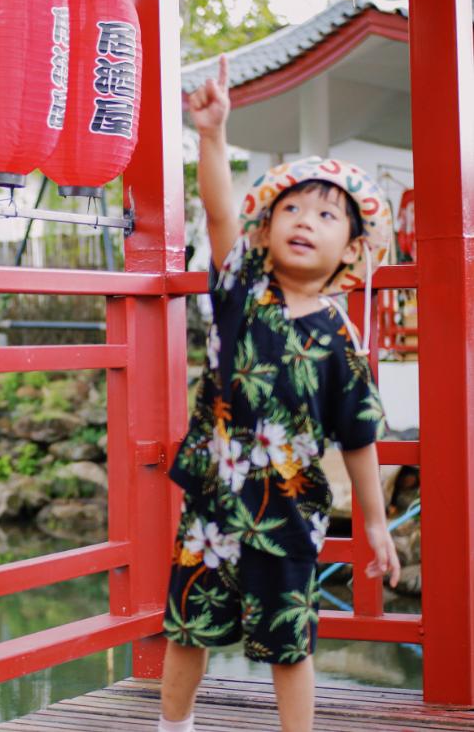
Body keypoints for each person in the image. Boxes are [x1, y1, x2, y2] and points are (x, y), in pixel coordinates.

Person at [157, 54, 402, 732]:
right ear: (264, 231)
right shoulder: (241, 292)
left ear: (351, 249)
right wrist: (212, 134)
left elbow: (358, 436)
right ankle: (172, 727)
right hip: (212, 506)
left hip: (289, 517)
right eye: (289, 208)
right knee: (188, 628)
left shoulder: (340, 340)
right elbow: (218, 214)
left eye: (326, 214)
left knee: (289, 644)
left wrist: (375, 522)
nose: (304, 219)